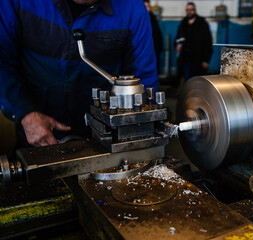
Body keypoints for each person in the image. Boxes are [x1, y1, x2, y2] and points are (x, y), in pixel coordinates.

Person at [0, 0, 158, 147]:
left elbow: (143, 78)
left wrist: (137, 131)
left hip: (104, 138)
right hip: (36, 130)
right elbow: (2, 61)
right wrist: (25, 113)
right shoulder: (19, 2)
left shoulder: (132, 9)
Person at [175, 2, 213, 81]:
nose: (189, 12)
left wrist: (206, 60)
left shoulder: (202, 24)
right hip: (185, 59)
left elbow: (207, 42)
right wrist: (176, 45)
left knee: (199, 81)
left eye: (191, 10)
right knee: (188, 81)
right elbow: (177, 38)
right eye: (187, 10)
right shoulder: (183, 24)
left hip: (198, 60)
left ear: (195, 10)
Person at [143, 0, 163, 74]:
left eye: (148, 6)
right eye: (145, 6)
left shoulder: (153, 20)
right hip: (141, 54)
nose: (147, 9)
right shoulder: (137, 20)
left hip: (153, 53)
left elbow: (158, 36)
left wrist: (158, 50)